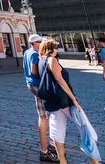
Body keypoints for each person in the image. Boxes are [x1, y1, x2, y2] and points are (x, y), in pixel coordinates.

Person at [38, 38, 100, 164]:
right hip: (64, 100)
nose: (57, 49)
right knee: (84, 127)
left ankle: (62, 160)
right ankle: (95, 161)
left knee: (57, 129)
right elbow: (60, 81)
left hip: (53, 102)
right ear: (51, 49)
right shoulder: (52, 60)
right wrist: (74, 99)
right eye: (55, 47)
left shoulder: (41, 61)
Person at [23, 34, 59, 162]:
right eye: (40, 42)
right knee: (44, 117)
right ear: (35, 43)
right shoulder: (34, 54)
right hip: (38, 85)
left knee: (45, 116)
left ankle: (51, 144)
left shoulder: (27, 52)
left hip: (31, 84)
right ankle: (45, 150)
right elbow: (34, 71)